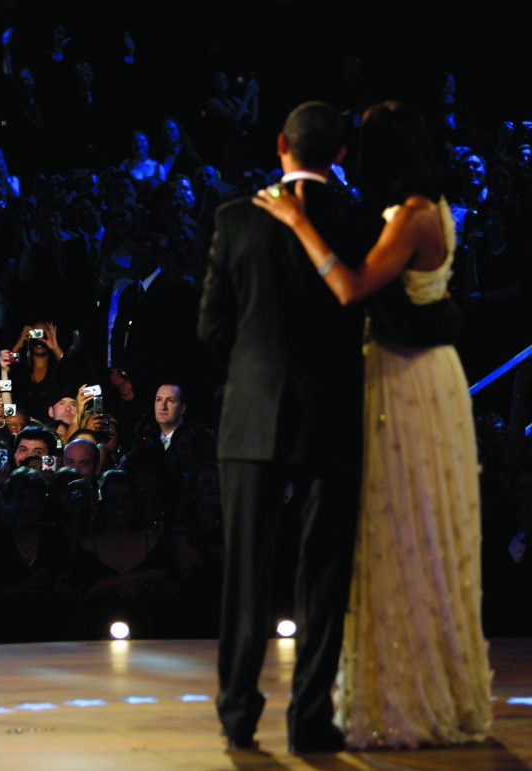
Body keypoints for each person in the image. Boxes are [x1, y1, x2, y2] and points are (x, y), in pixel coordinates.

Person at [253, 101, 492, 749]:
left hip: (408, 380)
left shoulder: (411, 215)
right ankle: (414, 682)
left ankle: (411, 692)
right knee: (412, 528)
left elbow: (353, 287)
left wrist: (298, 221)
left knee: (405, 528)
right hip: (418, 371)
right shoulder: (428, 209)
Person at [199, 101, 368, 753]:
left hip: (252, 413)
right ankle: (310, 718)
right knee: (322, 570)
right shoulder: (356, 218)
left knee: (246, 570)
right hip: (331, 413)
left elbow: (211, 329)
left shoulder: (237, 218)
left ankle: (238, 714)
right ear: (341, 155)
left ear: (280, 145)